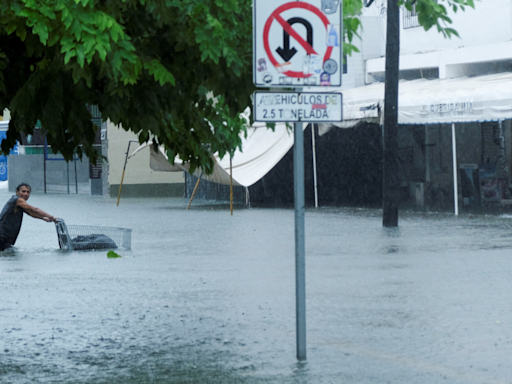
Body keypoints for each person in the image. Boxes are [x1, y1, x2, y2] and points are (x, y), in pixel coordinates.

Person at [0, 183, 58, 251]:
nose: (26, 194)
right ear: (17, 192)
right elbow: (35, 209)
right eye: (23, 191)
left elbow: (31, 213)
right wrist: (52, 217)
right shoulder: (18, 200)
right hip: (2, 234)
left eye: (28, 192)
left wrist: (44, 218)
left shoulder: (18, 202)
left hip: (7, 236)